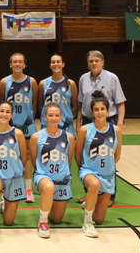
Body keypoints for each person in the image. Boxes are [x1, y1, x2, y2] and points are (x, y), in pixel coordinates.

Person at [76, 50, 126, 206]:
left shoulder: (112, 78)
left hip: (108, 121)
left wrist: (119, 124)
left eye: (97, 60)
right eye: (91, 61)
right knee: (88, 158)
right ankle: (91, 193)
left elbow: (120, 103)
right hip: (87, 120)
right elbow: (80, 103)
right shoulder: (83, 78)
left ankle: (109, 196)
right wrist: (78, 123)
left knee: (107, 157)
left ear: (103, 62)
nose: (94, 63)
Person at [75, 91, 122, 238]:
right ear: (92, 111)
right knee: (94, 184)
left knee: (100, 220)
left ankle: (91, 202)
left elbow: (117, 155)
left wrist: (106, 167)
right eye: (96, 109)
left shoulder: (116, 130)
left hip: (107, 175)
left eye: (102, 109)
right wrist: (84, 170)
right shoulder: (85, 129)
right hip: (89, 171)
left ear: (108, 110)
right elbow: (78, 154)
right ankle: (87, 223)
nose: (100, 112)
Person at [0, 101, 28, 239]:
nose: (4, 114)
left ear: (12, 115)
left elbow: (24, 157)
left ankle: (3, 206)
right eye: (2, 111)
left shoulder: (18, 133)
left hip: (13, 176)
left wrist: (16, 170)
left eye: (7, 112)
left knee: (9, 222)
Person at [29, 103, 75, 238]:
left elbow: (69, 160)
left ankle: (48, 210)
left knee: (57, 219)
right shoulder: (36, 137)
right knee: (48, 187)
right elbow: (34, 160)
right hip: (43, 177)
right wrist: (43, 175)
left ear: (61, 117)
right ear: (45, 117)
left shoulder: (69, 137)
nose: (53, 118)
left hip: (62, 181)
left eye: (56, 115)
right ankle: (42, 223)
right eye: (50, 115)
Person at [0, 53, 38, 203]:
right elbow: (0, 102)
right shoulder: (4, 82)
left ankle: (28, 189)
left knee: (26, 155)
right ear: (10, 64)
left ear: (24, 64)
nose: (17, 64)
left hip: (27, 123)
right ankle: (5, 189)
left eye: (20, 62)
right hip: (10, 124)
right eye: (15, 62)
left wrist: (27, 116)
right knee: (7, 155)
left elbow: (35, 103)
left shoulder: (31, 81)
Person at [38, 53, 78, 136]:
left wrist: (68, 118)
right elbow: (40, 106)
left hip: (66, 125)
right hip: (48, 125)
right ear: (50, 65)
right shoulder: (43, 83)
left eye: (58, 62)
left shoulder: (70, 83)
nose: (56, 64)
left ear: (63, 64)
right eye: (53, 62)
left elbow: (75, 106)